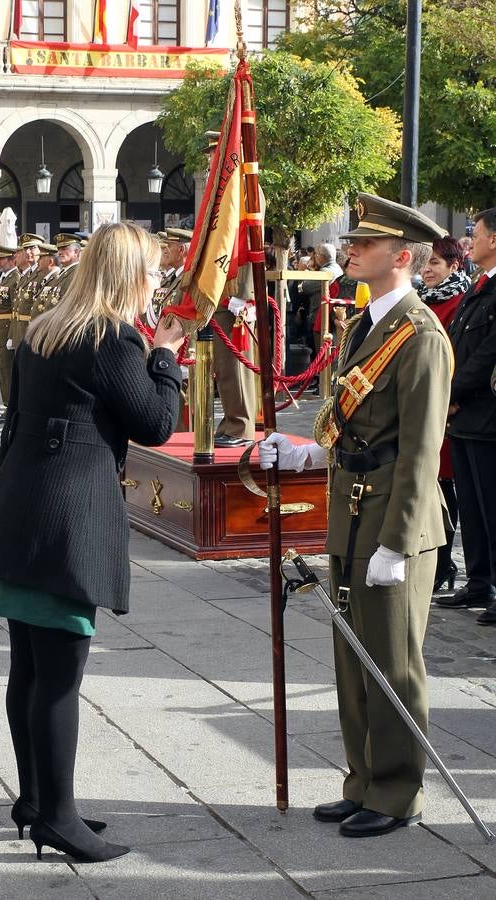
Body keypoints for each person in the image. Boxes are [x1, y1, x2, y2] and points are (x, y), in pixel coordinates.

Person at [0, 222, 185, 863]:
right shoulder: (112, 337)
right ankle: (57, 817)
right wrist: (166, 355)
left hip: (22, 510)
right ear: (127, 275)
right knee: (59, 678)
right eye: (152, 271)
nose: (157, 282)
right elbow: (154, 421)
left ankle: (36, 798)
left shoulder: (46, 329)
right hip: (67, 523)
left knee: (28, 669)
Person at [260, 194, 451, 838]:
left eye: (365, 245)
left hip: (394, 520)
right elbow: (353, 428)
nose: (351, 250)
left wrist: (396, 544)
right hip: (349, 509)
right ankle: (362, 779)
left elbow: (420, 452)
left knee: (391, 660)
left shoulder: (421, 337)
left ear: (401, 257)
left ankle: (397, 794)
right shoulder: (361, 326)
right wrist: (305, 452)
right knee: (351, 656)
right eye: (353, 242)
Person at [438, 209, 496, 624]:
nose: (469, 239)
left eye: (476, 233)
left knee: (491, 508)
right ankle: (479, 583)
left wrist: (452, 393)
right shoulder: (480, 285)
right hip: (464, 417)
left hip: (486, 415)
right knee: (473, 508)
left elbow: (488, 354)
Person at [416, 236, 470, 595]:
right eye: (425, 263)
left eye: (435, 262)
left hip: (447, 406)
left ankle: (443, 561)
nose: (427, 269)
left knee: (445, 491)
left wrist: (449, 397)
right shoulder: (422, 300)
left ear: (453, 265)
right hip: (421, 401)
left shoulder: (461, 302)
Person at [0, 246, 19, 423]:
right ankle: (8, 406)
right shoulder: (5, 277)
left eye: (2, 259)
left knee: (7, 372)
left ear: (11, 260)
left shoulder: (15, 277)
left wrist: (11, 334)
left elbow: (15, 308)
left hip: (6, 329)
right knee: (2, 372)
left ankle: (10, 408)